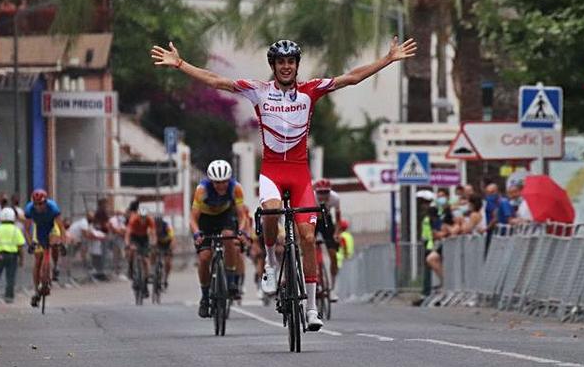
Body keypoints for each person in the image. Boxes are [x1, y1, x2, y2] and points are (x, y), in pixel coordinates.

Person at [152, 35, 416, 331]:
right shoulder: (258, 91)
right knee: (273, 211)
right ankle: (269, 263)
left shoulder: (310, 90)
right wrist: (180, 64)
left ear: (296, 65)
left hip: (301, 174)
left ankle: (313, 309)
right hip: (272, 173)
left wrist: (388, 59)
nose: (286, 67)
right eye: (281, 62)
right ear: (273, 66)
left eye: (291, 62)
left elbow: (352, 78)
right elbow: (216, 81)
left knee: (306, 236)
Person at [190, 160, 249, 318]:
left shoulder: (235, 188)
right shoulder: (202, 190)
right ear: (211, 181)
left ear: (229, 180)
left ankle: (230, 280)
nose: (221, 186)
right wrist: (196, 234)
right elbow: (193, 218)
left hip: (224, 216)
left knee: (228, 237)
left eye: (224, 182)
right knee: (204, 258)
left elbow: (242, 215)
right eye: (217, 182)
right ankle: (204, 297)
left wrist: (242, 231)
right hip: (205, 219)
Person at [24, 189, 66, 308]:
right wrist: (30, 243)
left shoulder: (53, 208)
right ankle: (37, 290)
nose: (39, 207)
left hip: (51, 227)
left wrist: (63, 243)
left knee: (54, 242)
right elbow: (26, 229)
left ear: (46, 202)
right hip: (39, 229)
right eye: (36, 204)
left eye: (42, 204)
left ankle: (55, 265)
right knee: (37, 261)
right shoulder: (29, 209)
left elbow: (61, 228)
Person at [0, 208, 26, 303]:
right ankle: (9, 297)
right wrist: (21, 259)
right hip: (12, 256)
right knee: (10, 277)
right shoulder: (16, 230)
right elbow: (20, 246)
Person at [313, 178, 342, 301]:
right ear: (316, 192)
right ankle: (312, 281)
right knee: (308, 248)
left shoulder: (335, 198)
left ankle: (332, 289)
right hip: (312, 219)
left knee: (333, 255)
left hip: (326, 220)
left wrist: (336, 233)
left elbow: (338, 219)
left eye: (326, 192)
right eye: (320, 193)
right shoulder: (311, 197)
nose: (323, 196)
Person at [125, 200, 155, 296]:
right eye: (141, 217)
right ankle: (130, 268)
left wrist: (153, 242)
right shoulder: (133, 219)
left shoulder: (150, 219)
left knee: (146, 259)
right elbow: (128, 233)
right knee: (132, 251)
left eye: (144, 218)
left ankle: (145, 283)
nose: (142, 220)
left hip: (144, 238)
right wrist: (127, 243)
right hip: (135, 237)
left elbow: (153, 233)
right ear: (139, 216)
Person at [153, 213, 175, 289]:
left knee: (167, 262)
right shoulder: (153, 226)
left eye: (159, 224)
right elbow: (151, 236)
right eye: (156, 224)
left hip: (167, 244)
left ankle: (165, 278)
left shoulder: (166, 226)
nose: (157, 225)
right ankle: (153, 270)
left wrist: (171, 247)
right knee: (152, 253)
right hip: (158, 243)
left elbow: (172, 238)